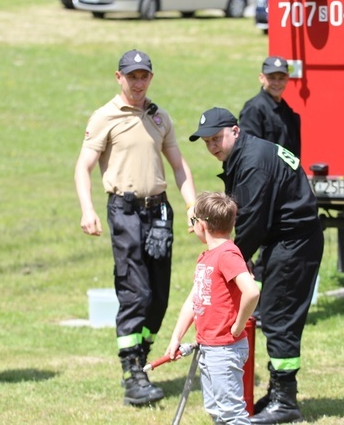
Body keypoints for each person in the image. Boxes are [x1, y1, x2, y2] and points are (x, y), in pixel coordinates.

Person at [74, 49, 196, 406]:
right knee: (135, 292)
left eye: (144, 76)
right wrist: (87, 209)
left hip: (159, 212)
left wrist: (191, 205)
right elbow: (83, 167)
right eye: (132, 76)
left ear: (150, 78)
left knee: (158, 297)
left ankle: (141, 358)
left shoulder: (160, 118)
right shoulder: (104, 117)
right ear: (119, 77)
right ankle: (132, 373)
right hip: (124, 212)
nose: (138, 82)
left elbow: (178, 165)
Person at [189, 107, 323, 424]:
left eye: (217, 138)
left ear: (235, 130)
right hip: (284, 242)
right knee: (274, 314)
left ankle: (285, 401)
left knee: (279, 317)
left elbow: (251, 223)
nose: (212, 146)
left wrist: (227, 259)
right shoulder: (248, 153)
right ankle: (279, 393)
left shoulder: (252, 163)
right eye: (207, 141)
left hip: (293, 244)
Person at [165, 191, 260, 424]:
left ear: (202, 225)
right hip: (209, 346)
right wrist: (176, 336)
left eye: (193, 220)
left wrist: (238, 326)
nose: (192, 225)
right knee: (217, 410)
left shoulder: (227, 255)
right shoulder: (208, 256)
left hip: (224, 349)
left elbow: (252, 291)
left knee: (231, 413)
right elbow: (194, 299)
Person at [238, 56, 301, 158]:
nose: (276, 83)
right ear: (261, 78)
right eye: (271, 78)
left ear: (287, 78)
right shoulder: (254, 109)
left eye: (281, 78)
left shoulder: (286, 110)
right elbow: (248, 152)